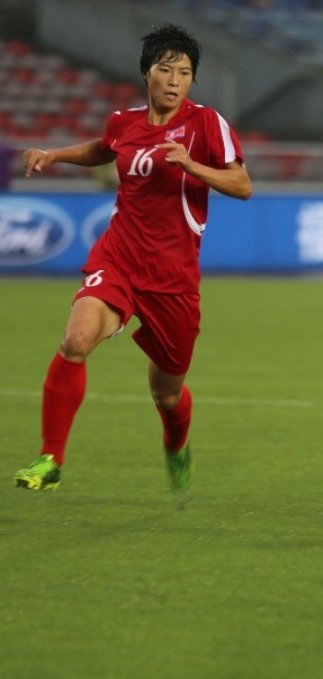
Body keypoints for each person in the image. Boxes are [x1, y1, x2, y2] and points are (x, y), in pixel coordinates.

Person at [14, 24, 253, 495]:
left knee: (167, 393)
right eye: (166, 69)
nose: (174, 80)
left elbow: (242, 185)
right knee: (76, 339)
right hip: (119, 257)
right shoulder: (124, 122)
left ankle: (176, 444)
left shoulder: (207, 124)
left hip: (173, 280)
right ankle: (51, 458)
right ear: (147, 73)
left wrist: (191, 165)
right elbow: (103, 150)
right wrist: (54, 155)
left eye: (184, 73)